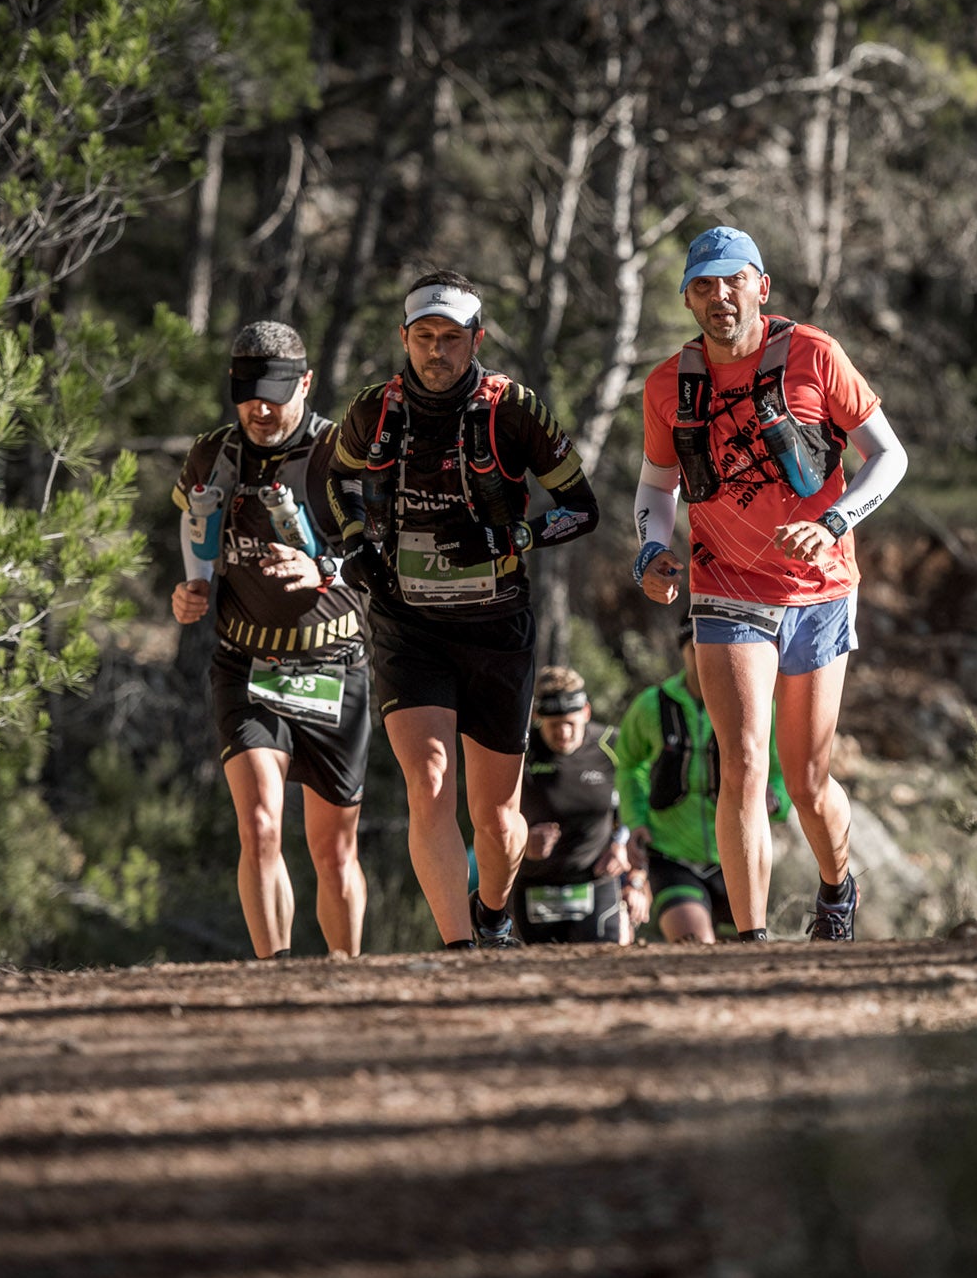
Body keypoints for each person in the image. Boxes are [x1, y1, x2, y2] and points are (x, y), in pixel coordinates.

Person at [632, 225, 907, 941]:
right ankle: (752, 943)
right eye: (703, 284)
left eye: (732, 280)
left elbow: (891, 458)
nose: (719, 296)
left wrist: (837, 520)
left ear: (762, 286)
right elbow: (657, 486)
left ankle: (836, 885)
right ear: (688, 296)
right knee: (743, 760)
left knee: (807, 781)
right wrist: (651, 551)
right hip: (725, 584)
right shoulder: (668, 385)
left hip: (819, 589)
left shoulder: (815, 356)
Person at [327, 271, 600, 949]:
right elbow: (333, 479)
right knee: (428, 781)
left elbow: (582, 506)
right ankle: (458, 948)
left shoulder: (513, 410)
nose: (438, 352)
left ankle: (494, 911)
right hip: (405, 623)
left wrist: (517, 535)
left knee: (497, 814)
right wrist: (354, 543)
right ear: (405, 338)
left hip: (495, 626)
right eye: (425, 337)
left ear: (476, 338)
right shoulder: (375, 410)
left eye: (452, 338)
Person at [171, 320, 370, 958]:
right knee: (260, 825)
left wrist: (326, 569)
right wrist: (194, 585)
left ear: (306, 383)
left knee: (332, 847)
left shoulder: (342, 452)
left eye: (277, 392)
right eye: (248, 391)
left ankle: (346, 973)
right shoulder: (213, 452)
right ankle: (275, 971)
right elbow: (194, 519)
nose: (262, 407)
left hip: (334, 663)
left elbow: (384, 548)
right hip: (245, 661)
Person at [617, 616, 793, 942]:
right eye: (694, 648)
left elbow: (783, 771)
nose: (703, 656)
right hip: (673, 855)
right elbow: (629, 765)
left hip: (739, 857)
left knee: (740, 955)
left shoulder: (757, 707)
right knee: (696, 943)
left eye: (713, 647)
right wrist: (636, 818)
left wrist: (777, 801)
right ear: (682, 651)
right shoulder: (652, 705)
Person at [513, 667, 646, 945]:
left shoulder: (612, 745)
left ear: (586, 712)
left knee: (603, 970)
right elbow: (490, 814)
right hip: (531, 885)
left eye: (571, 723)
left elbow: (638, 805)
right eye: (553, 725)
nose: (563, 732)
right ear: (537, 717)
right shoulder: (520, 750)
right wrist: (523, 841)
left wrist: (621, 847)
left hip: (594, 881)